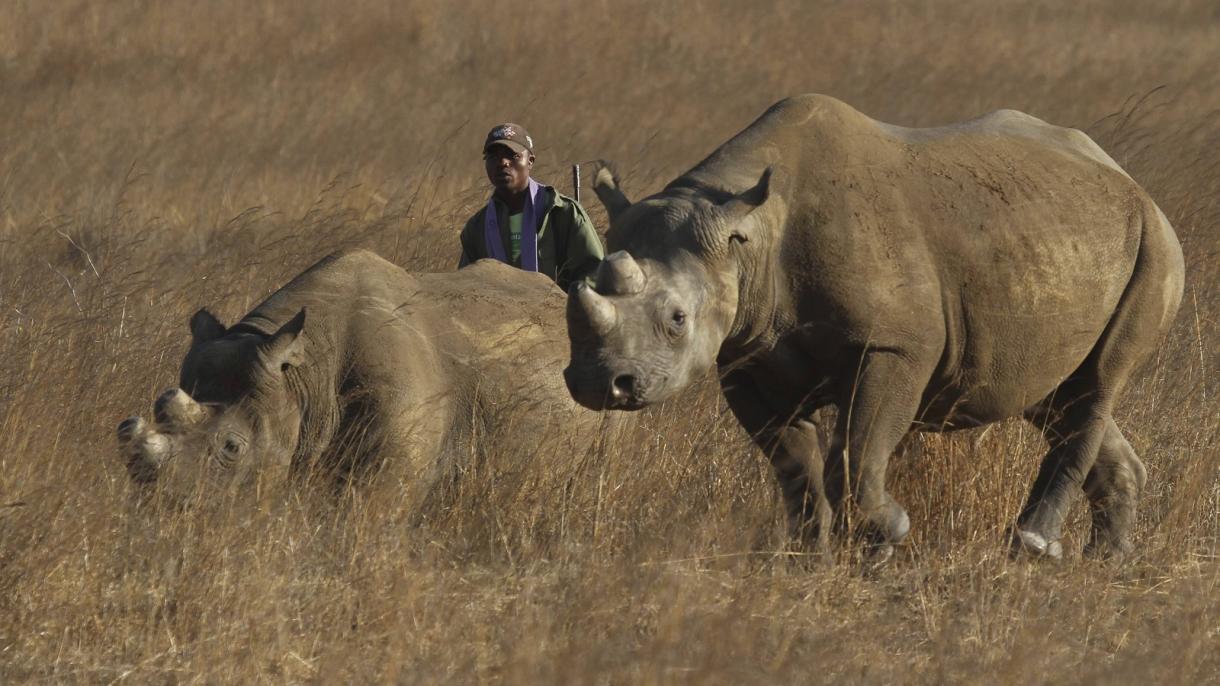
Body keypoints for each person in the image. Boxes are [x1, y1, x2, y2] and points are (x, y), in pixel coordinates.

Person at [459, 123, 604, 291]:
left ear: (530, 161)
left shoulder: (562, 212)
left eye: (512, 155)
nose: (502, 163)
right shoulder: (477, 227)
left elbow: (594, 275)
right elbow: (465, 288)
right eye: (493, 157)